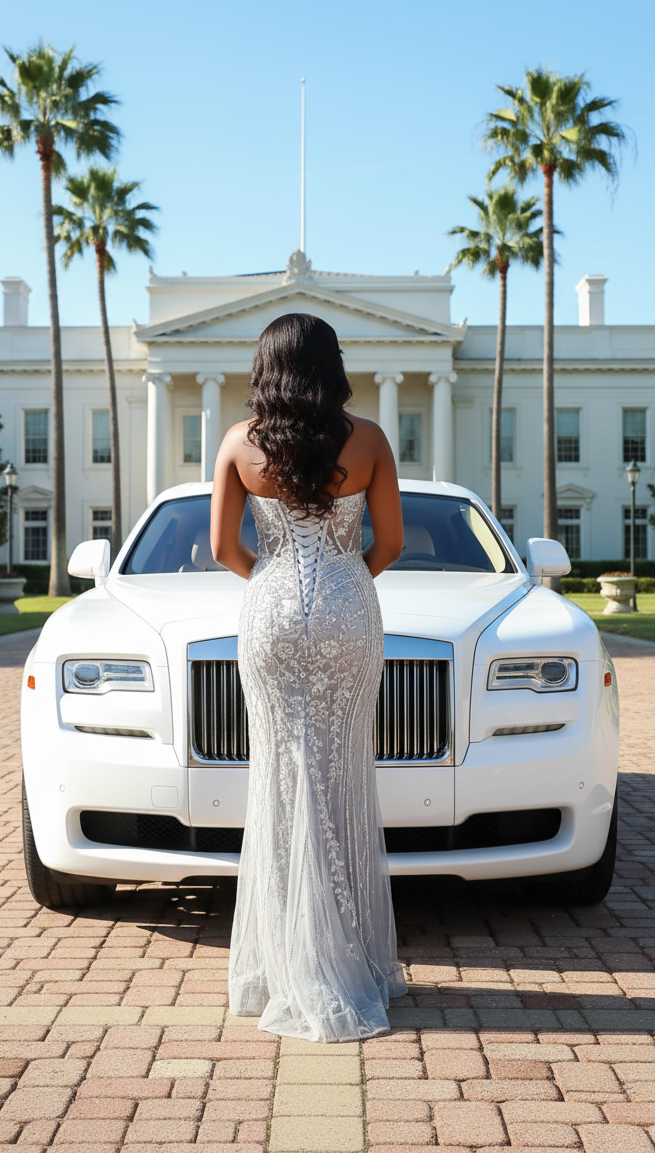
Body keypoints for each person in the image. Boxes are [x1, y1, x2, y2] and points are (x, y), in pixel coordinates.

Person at [210, 312, 407, 1042]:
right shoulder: (370, 440)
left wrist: (271, 579)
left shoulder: (239, 442)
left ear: (265, 366)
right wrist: (343, 577)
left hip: (268, 609)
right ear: (331, 363)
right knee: (341, 775)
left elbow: (221, 546)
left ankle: (279, 964)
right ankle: (345, 958)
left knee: (281, 777)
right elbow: (389, 541)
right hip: (347, 608)